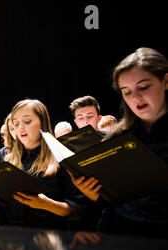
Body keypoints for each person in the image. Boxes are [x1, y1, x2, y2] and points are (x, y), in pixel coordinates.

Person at [69, 47, 168, 238]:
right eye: (127, 92)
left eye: (144, 86)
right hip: (121, 241)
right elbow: (109, 204)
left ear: (165, 81)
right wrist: (92, 193)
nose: (136, 97)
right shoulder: (116, 138)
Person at [0, 99, 86, 230]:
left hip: (49, 238)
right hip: (14, 238)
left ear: (42, 122)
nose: (20, 128)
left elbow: (79, 210)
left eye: (27, 121)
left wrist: (46, 204)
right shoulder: (7, 159)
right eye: (16, 123)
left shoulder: (62, 157)